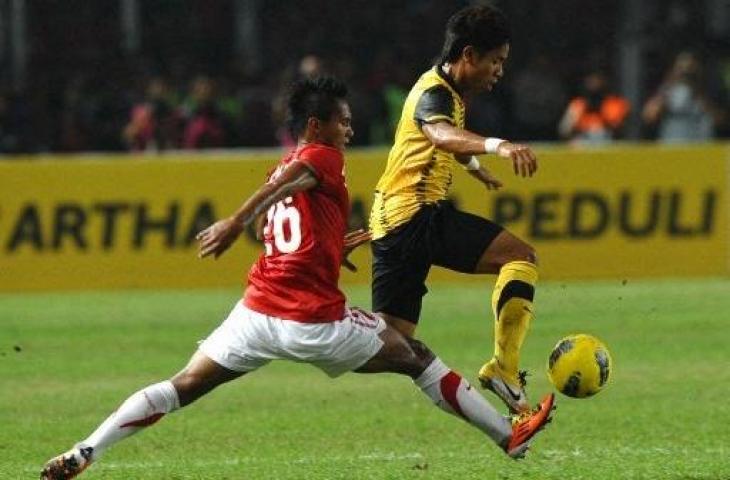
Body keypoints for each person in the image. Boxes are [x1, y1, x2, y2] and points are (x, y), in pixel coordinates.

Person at [40, 76, 554, 480]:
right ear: (315, 125)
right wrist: (235, 221)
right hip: (311, 319)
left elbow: (285, 222)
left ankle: (86, 448)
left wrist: (332, 246)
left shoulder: (285, 163)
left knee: (181, 387)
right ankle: (509, 435)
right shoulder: (319, 155)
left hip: (256, 313)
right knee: (414, 356)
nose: (349, 131)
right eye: (343, 122)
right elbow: (292, 184)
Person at [369, 4, 540, 414]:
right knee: (520, 257)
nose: (499, 70)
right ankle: (505, 370)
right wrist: (498, 146)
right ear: (468, 56)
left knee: (394, 348)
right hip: (415, 216)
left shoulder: (444, 91)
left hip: (394, 224)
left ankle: (312, 336)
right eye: (495, 61)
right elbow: (441, 134)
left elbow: (442, 139)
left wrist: (475, 169)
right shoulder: (435, 95)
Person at [642, 51, 725, 143]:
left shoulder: (709, 89)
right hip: (673, 147)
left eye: (690, 69)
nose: (686, 74)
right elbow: (649, 116)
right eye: (682, 69)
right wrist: (670, 83)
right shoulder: (668, 90)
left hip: (702, 147)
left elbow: (720, 121)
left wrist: (697, 91)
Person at [558, 70, 630, 145]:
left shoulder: (614, 103)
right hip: (583, 140)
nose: (594, 85)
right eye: (591, 82)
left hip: (607, 140)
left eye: (597, 82)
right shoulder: (578, 104)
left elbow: (620, 128)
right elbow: (564, 130)